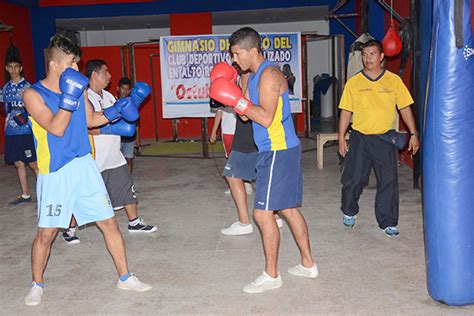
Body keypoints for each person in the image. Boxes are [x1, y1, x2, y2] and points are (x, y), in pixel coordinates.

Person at [22, 34, 151, 307]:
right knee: (47, 233)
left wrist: (117, 111)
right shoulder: (32, 94)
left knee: (109, 222)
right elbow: (56, 128)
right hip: (55, 170)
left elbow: (91, 119)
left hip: (84, 164)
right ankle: (37, 284)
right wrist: (69, 97)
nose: (77, 70)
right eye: (72, 63)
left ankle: (125, 276)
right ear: (55, 64)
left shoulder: (78, 90)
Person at [210, 27, 318, 293]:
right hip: (275, 149)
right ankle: (308, 264)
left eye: (237, 54)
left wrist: (238, 99)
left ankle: (271, 275)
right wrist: (234, 96)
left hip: (278, 150)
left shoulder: (269, 75)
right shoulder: (255, 75)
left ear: (252, 50)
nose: (234, 60)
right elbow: (248, 116)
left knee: (262, 214)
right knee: (289, 209)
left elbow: (267, 118)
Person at [61, 60, 157, 245]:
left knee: (126, 185)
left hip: (114, 155)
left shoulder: (109, 96)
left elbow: (121, 116)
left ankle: (134, 222)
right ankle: (69, 228)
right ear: (94, 75)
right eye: (106, 72)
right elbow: (84, 127)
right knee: (82, 194)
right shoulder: (83, 97)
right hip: (94, 157)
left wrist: (134, 103)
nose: (110, 76)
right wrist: (111, 130)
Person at [337, 39, 420, 237]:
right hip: (360, 138)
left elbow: (405, 108)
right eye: (365, 55)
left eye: (372, 54)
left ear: (382, 56)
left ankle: (388, 221)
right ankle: (349, 210)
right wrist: (341, 137)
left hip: (384, 139)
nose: (368, 59)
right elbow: (346, 112)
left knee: (388, 181)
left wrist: (413, 134)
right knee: (354, 179)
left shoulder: (393, 81)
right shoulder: (354, 83)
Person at [213, 64, 283, 236]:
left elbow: (244, 109)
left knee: (232, 174)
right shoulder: (265, 73)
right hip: (259, 130)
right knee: (261, 173)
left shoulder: (247, 75)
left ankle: (244, 222)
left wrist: (232, 93)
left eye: (236, 55)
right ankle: (275, 216)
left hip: (247, 131)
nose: (234, 59)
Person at [1, 56, 38, 204]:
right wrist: (6, 125)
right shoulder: (5, 88)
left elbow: (34, 109)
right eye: (10, 67)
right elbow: (6, 110)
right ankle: (25, 194)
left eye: (16, 67)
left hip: (26, 130)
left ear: (21, 68)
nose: (14, 70)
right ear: (6, 69)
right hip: (11, 131)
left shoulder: (28, 87)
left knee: (33, 163)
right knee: (18, 163)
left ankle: (46, 194)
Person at [117, 77, 136, 173]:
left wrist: (138, 140)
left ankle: (129, 181)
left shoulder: (133, 103)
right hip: (117, 137)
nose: (125, 91)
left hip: (130, 137)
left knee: (129, 159)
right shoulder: (112, 101)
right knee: (116, 162)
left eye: (127, 89)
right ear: (118, 89)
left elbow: (136, 122)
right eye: (123, 89)